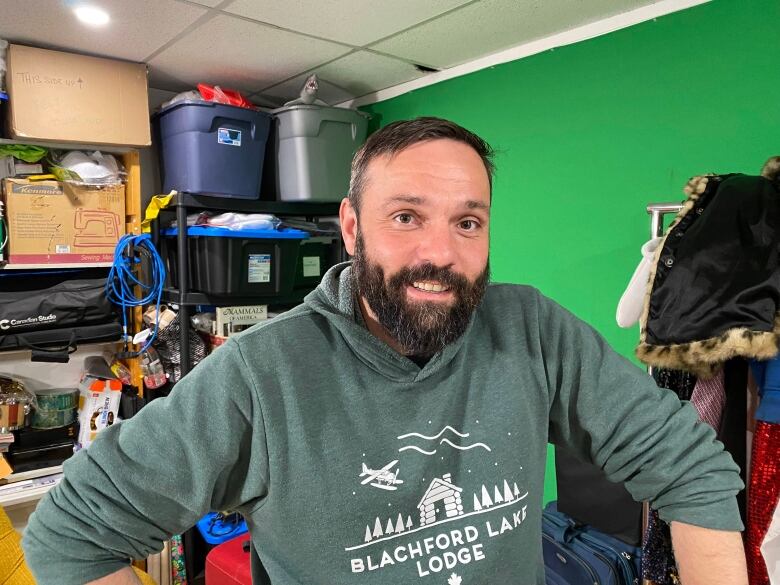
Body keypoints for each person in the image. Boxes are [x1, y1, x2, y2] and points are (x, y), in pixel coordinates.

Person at [23, 117, 747, 585]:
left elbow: (690, 465)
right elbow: (69, 533)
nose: (442, 252)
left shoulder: (529, 327)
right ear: (350, 226)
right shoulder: (260, 374)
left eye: (469, 221)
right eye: (406, 216)